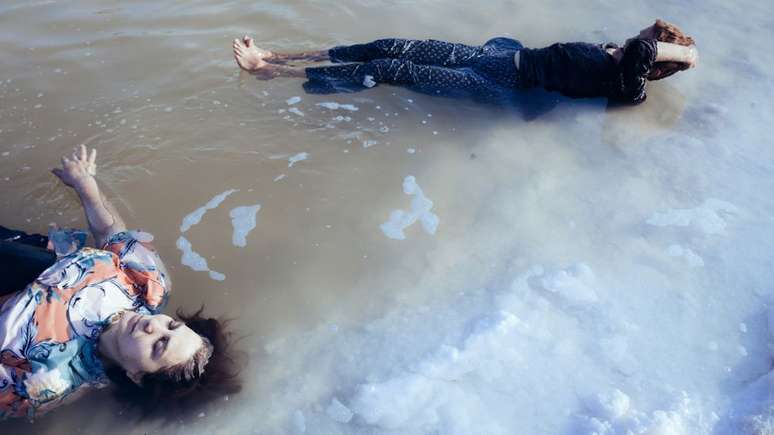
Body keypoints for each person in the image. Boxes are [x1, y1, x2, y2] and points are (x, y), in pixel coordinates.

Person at [0, 146, 241, 420]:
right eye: (171, 325)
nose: (153, 325)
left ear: (136, 376)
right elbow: (109, 232)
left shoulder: (52, 380)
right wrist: (84, 184)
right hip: (20, 253)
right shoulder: (148, 285)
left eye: (158, 345)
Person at [232, 19, 698, 106]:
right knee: (390, 44)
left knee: (394, 70)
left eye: (643, 41)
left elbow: (641, 56)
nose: (631, 40)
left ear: (656, 65)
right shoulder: (620, 57)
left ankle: (271, 73)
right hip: (494, 56)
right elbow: (636, 48)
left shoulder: (630, 85)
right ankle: (279, 54)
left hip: (499, 84)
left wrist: (687, 53)